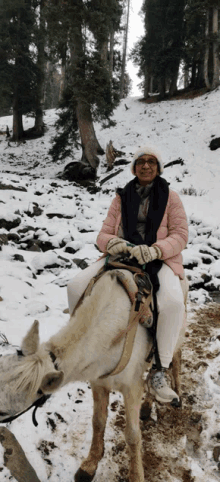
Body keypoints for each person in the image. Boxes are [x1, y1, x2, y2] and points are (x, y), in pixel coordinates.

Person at [67, 144, 188, 404]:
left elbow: (180, 235)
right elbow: (104, 233)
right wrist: (112, 243)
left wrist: (156, 250)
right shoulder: (121, 197)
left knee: (173, 303)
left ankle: (159, 371)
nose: (146, 165)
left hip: (159, 260)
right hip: (122, 256)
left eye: (151, 161)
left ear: (158, 168)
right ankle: (79, 344)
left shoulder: (172, 198)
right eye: (141, 161)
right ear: (134, 168)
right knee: (75, 285)